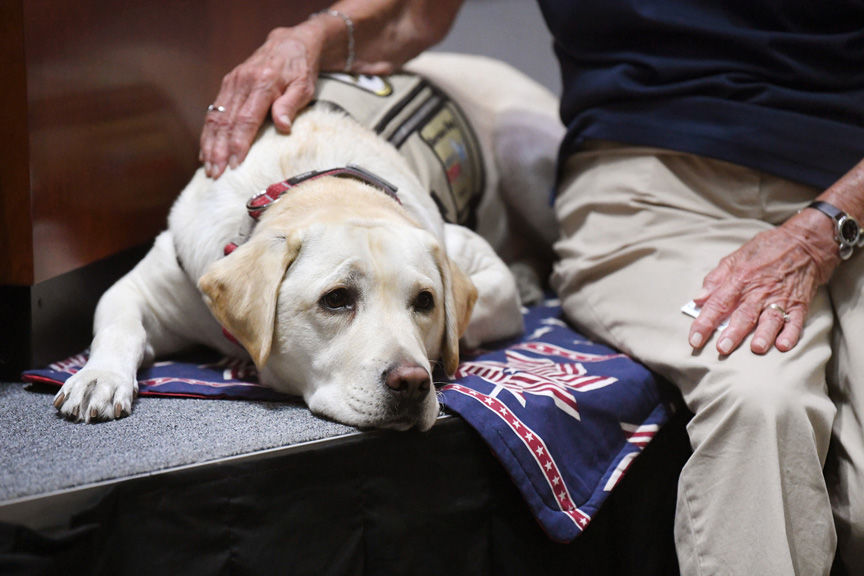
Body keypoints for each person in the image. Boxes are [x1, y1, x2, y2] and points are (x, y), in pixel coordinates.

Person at [198, 1, 864, 574]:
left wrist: (828, 225)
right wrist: (306, 38)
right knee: (761, 402)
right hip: (653, 192)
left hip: (853, 190)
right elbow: (408, 12)